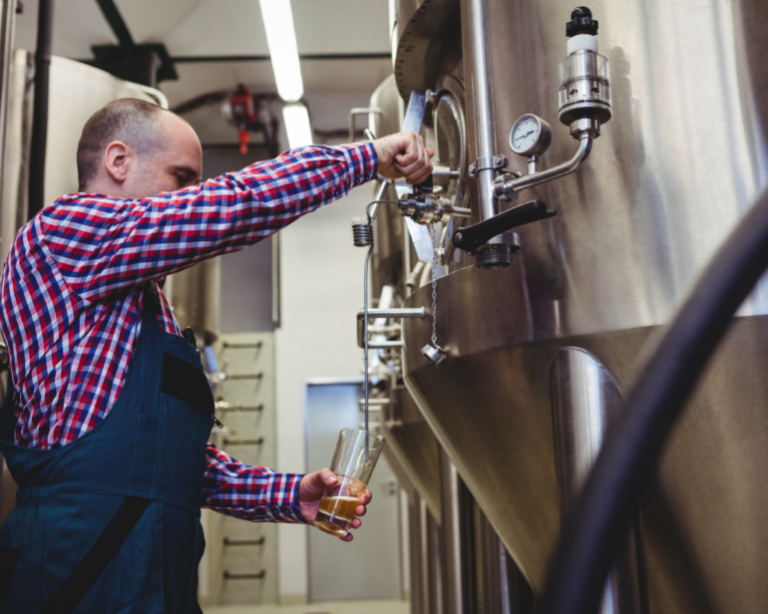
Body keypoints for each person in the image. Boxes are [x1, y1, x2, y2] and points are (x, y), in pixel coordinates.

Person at [0, 98, 434, 613]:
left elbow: (162, 464)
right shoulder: (66, 231)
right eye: (180, 178)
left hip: (156, 568)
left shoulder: (143, 304)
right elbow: (235, 204)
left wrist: (290, 495)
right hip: (77, 564)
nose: (188, 197)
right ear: (118, 162)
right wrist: (369, 157)